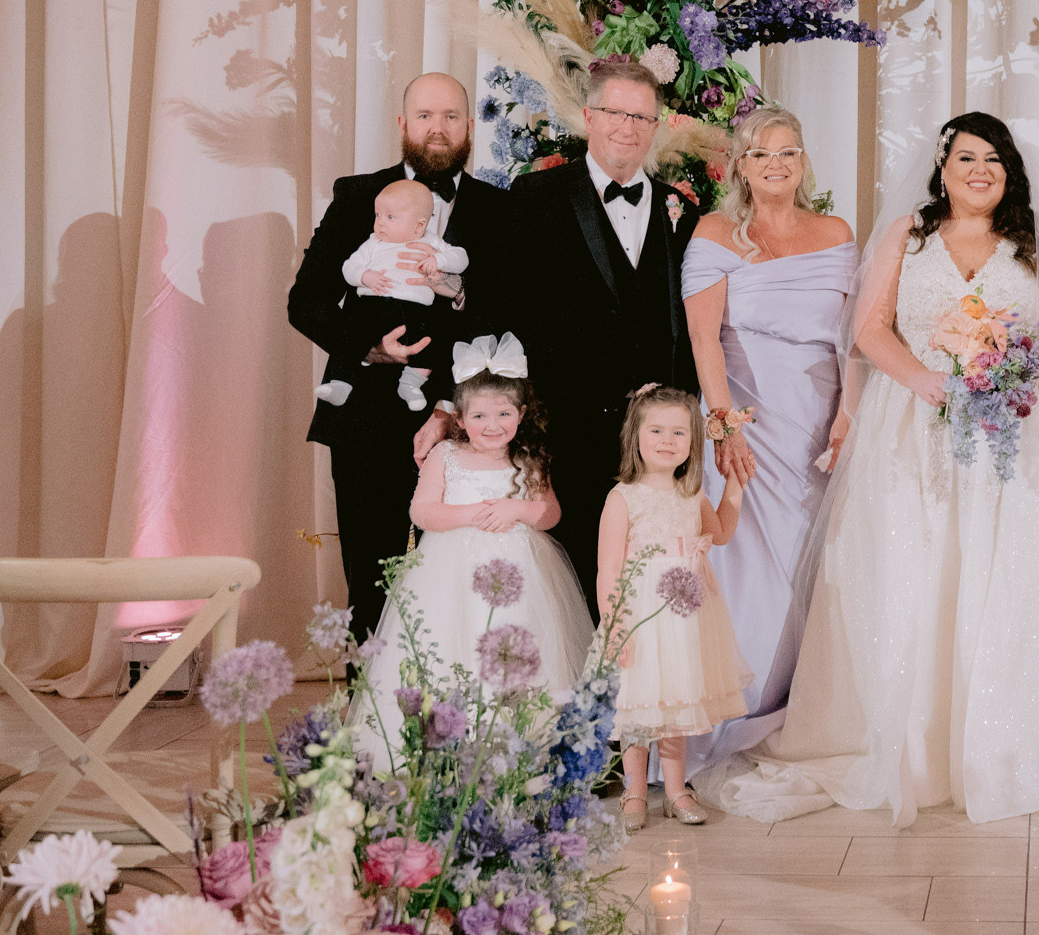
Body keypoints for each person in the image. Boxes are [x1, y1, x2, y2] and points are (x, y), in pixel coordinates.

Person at [704, 113, 1039, 826]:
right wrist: (928, 381)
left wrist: (1007, 375)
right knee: (917, 571)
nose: (980, 170)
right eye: (966, 158)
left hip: (1016, 428)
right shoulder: (906, 233)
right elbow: (870, 327)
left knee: (1015, 575)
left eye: (994, 160)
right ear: (942, 167)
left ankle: (1002, 740)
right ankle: (913, 741)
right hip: (916, 422)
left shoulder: (1034, 236)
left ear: (1011, 171)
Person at [289, 71, 512, 641]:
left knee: (465, 578)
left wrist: (457, 293)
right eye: (425, 116)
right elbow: (306, 301)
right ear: (403, 124)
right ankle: (371, 713)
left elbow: (512, 312)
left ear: (469, 127)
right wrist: (370, 348)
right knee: (372, 571)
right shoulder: (358, 195)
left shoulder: (500, 209)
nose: (438, 130)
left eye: (451, 117)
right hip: (367, 416)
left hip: (468, 422)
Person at [678, 107, 855, 772]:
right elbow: (704, 338)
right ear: (740, 166)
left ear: (803, 161)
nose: (776, 164)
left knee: (817, 560)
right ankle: (740, 703)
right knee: (749, 565)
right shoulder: (718, 232)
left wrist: (848, 414)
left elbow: (853, 338)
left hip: (819, 419)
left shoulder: (836, 232)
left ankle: (804, 703)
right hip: (746, 421)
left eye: (788, 152)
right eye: (761, 153)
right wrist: (722, 425)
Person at [495, 59, 700, 598]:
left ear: (656, 126)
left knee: (651, 571)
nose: (628, 128)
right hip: (568, 424)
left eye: (642, 117)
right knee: (579, 570)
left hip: (654, 437)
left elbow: (692, 319)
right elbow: (508, 308)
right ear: (589, 115)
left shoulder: (681, 211)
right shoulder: (535, 196)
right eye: (615, 113)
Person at [356, 336, 593, 747]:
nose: (493, 424)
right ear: (460, 419)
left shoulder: (529, 456)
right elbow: (421, 511)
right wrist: (473, 515)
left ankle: (518, 745)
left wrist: (516, 510)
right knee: (450, 650)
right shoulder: (445, 454)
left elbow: (550, 512)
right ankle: (446, 747)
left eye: (504, 413)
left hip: (521, 577)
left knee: (518, 652)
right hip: (450, 572)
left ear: (521, 414)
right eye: (480, 415)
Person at [597, 385, 752, 829]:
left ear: (692, 442)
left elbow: (719, 533)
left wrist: (736, 486)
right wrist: (615, 624)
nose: (667, 440)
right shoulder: (623, 497)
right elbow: (608, 569)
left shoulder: (691, 494)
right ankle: (633, 792)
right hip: (642, 617)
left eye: (679, 432)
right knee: (639, 707)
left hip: (684, 615)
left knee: (675, 706)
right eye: (657, 430)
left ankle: (676, 789)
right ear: (636, 436)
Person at [318, 179, 471, 412]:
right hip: (372, 304)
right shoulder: (373, 243)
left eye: (389, 217)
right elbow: (349, 267)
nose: (380, 223)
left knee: (429, 343)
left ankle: (411, 384)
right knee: (352, 335)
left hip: (416, 309)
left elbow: (461, 258)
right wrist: (364, 276)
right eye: (378, 215)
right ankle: (341, 383)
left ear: (419, 226)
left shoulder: (430, 242)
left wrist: (438, 260)